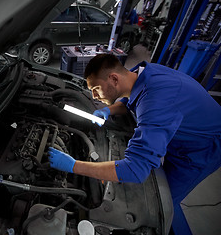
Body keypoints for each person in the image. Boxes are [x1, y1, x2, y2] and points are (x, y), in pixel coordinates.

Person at [48, 54, 221, 235]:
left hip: (201, 148)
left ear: (114, 78)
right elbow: (131, 95)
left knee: (160, 204)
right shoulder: (143, 73)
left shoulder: (156, 102)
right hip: (184, 125)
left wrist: (74, 165)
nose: (94, 96)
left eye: (96, 89)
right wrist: (109, 109)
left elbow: (135, 170)